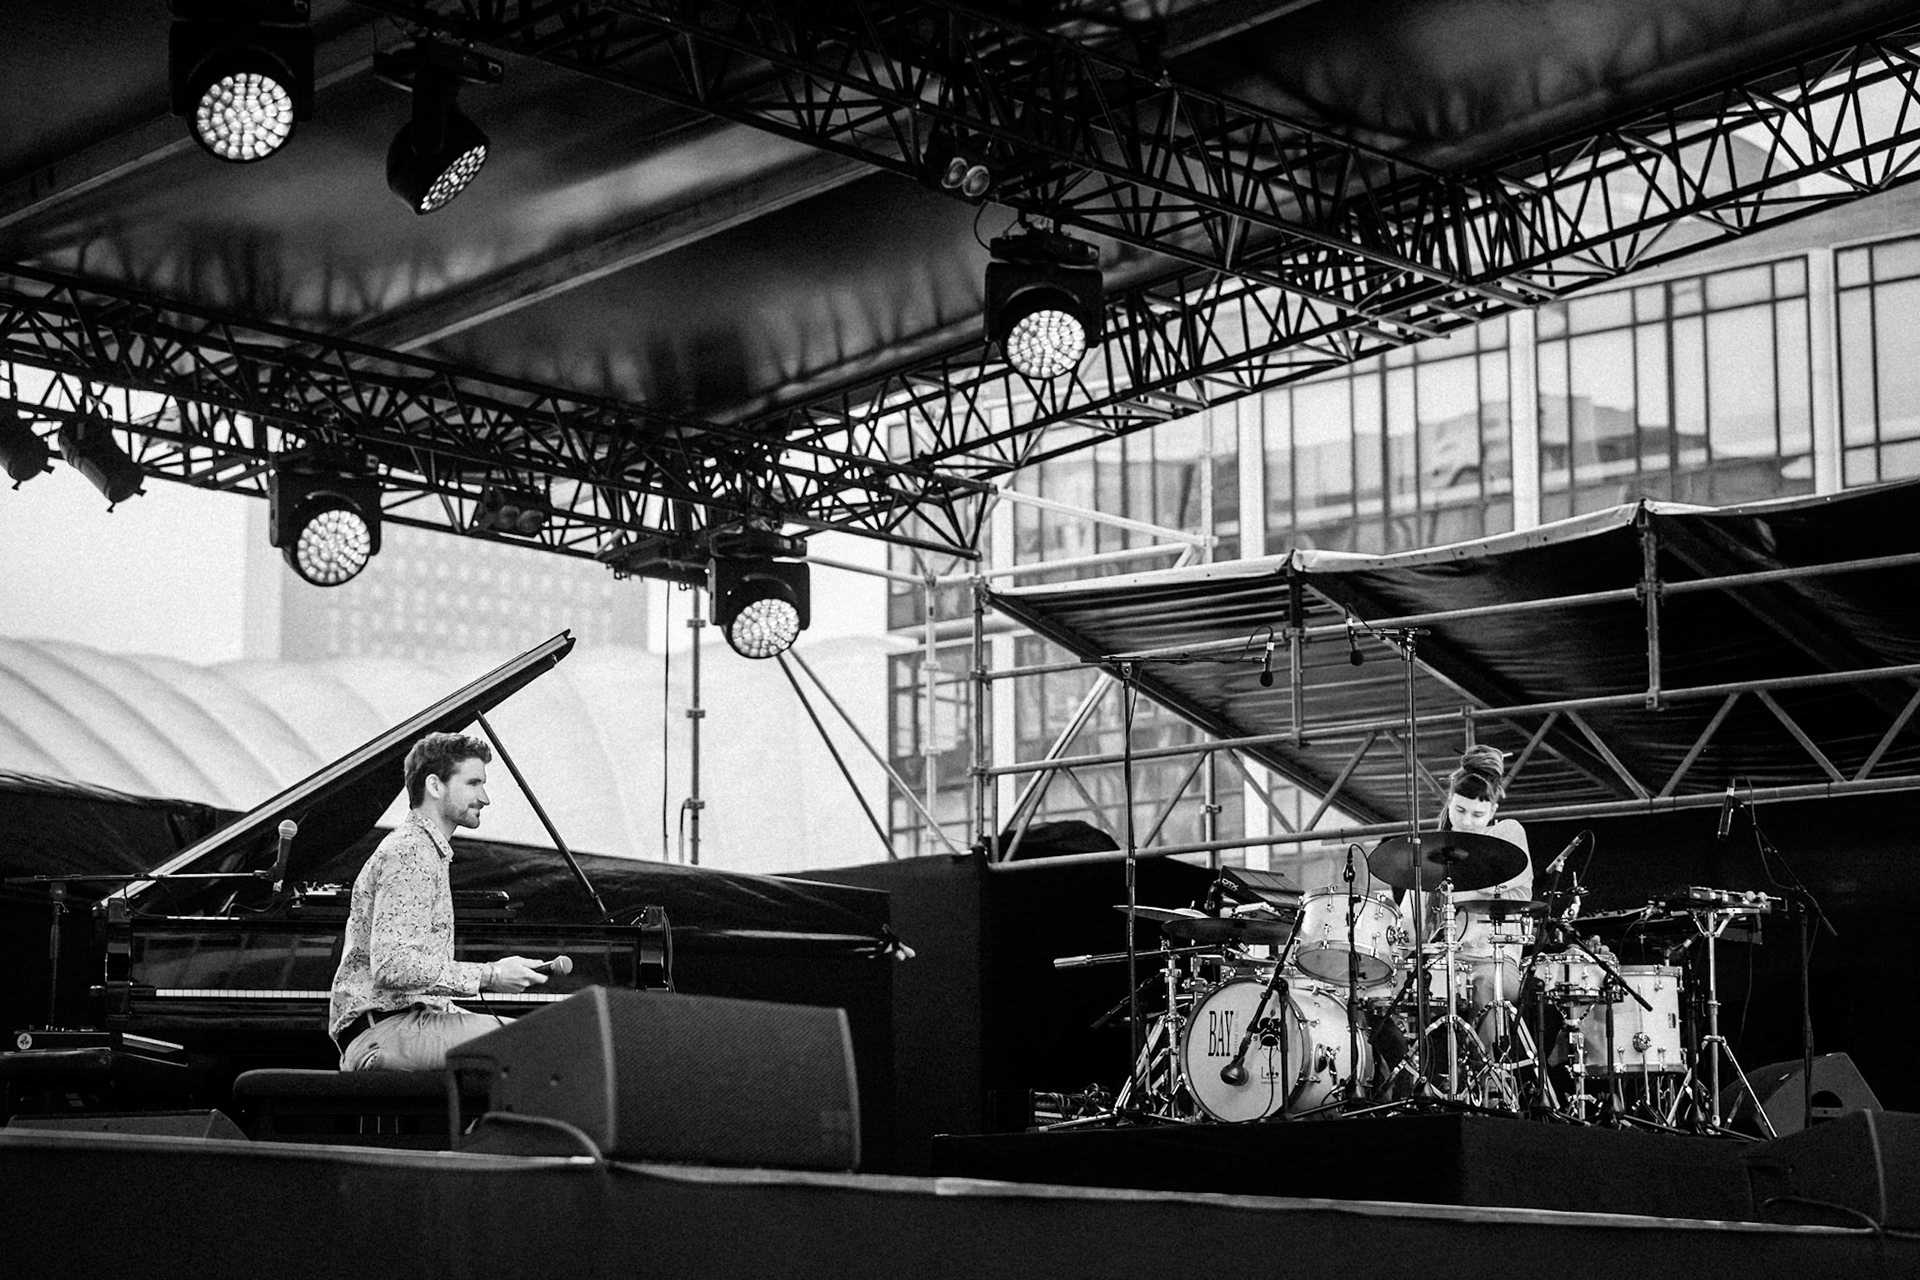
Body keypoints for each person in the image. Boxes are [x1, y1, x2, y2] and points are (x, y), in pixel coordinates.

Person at [327, 732, 549, 1071]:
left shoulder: (424, 850)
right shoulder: (411, 851)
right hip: (384, 1032)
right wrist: (491, 974)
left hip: (401, 1024)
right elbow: (393, 966)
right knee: (543, 1043)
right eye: (473, 783)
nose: (485, 797)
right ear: (434, 785)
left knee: (541, 1037)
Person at [1402, 745, 1533, 1053]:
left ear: (1492, 812)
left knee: (1484, 985)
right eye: (1460, 811)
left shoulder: (1508, 833)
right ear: (1449, 805)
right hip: (1442, 962)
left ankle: (1489, 1080)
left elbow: (1501, 882)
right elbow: (1410, 926)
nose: (1468, 821)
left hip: (1494, 961)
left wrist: (1456, 887)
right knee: (1391, 992)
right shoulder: (1432, 852)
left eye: (1478, 814)